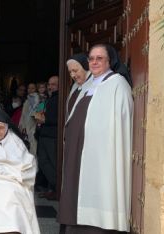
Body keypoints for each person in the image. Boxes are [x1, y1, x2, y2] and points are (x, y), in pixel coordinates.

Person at [57, 44, 133, 233]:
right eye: (91, 58)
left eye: (100, 58)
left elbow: (120, 122)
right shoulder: (88, 85)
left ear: (110, 60)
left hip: (101, 152)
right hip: (78, 150)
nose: (94, 62)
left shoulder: (117, 83)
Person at [35, 75, 59, 200]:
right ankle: (53, 188)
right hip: (44, 134)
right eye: (49, 84)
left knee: (51, 163)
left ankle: (57, 187)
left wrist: (45, 119)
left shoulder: (60, 98)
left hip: (52, 135)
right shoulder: (49, 99)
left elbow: (60, 118)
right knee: (43, 162)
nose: (50, 87)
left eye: (53, 84)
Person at [18, 82, 40, 155]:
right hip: (26, 127)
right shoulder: (28, 99)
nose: (30, 90)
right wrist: (22, 126)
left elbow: (37, 114)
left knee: (33, 149)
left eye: (32, 88)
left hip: (33, 127)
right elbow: (23, 115)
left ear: (36, 89)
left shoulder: (38, 99)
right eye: (29, 88)